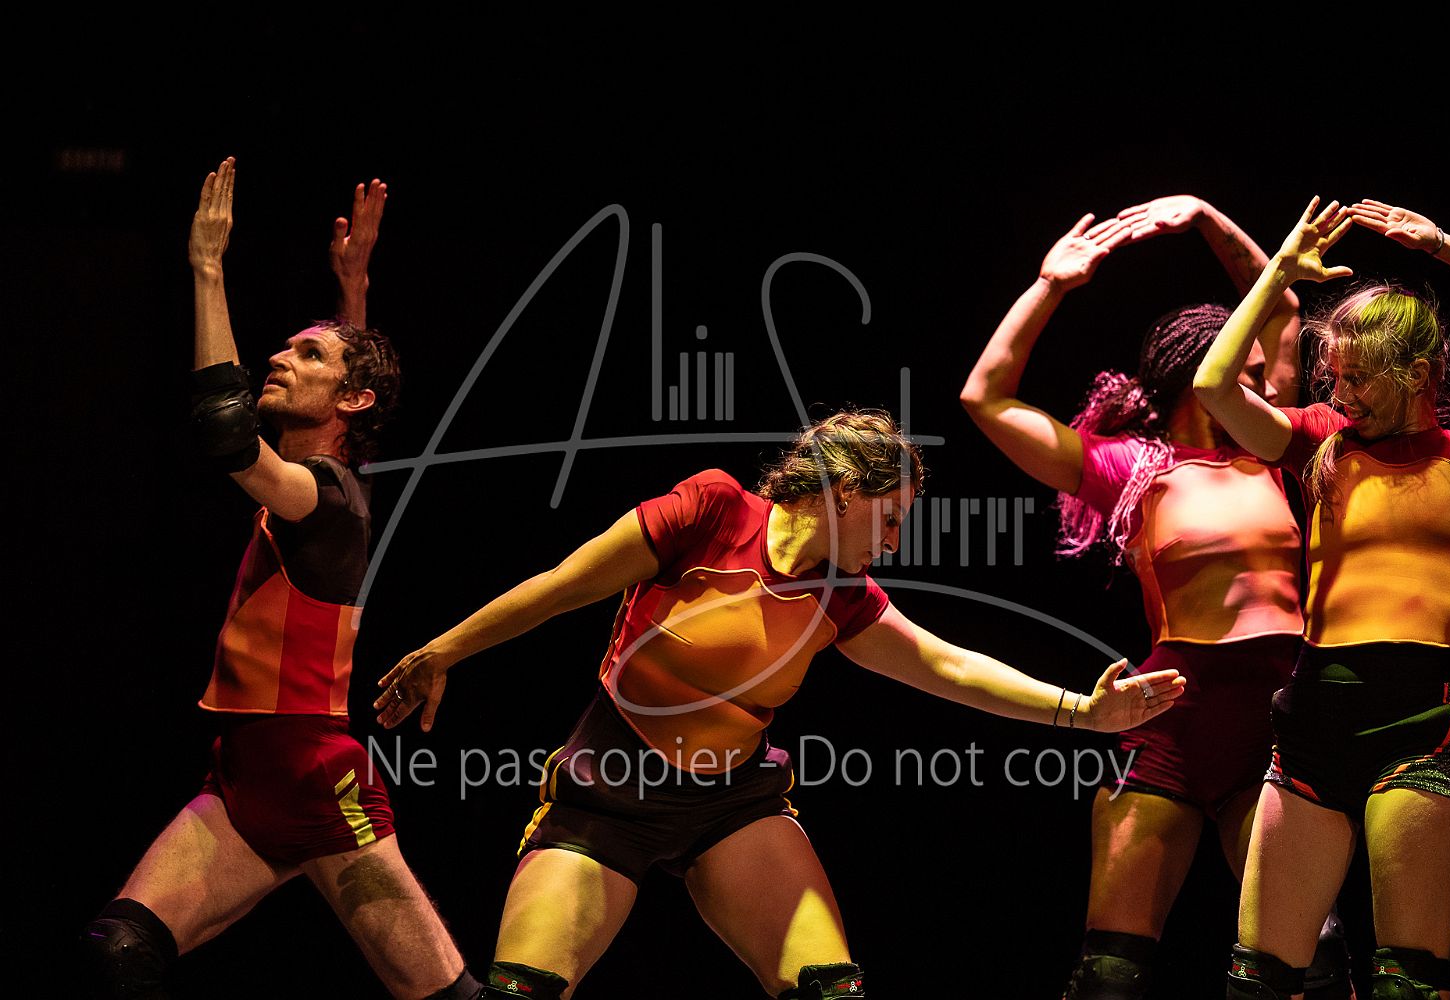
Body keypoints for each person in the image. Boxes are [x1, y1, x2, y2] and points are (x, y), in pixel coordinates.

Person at [373, 409, 1186, 1000]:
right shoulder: (711, 511)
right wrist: (444, 651)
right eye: (890, 518)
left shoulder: (844, 597)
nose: (894, 543)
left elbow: (948, 665)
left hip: (733, 806)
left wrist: (1083, 712)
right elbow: (561, 587)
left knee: (830, 990)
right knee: (524, 992)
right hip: (606, 794)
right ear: (842, 491)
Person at [80, 158, 485, 1000]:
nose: (278, 357)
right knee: (120, 948)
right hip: (241, 776)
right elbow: (348, 393)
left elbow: (227, 436)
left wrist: (206, 266)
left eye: (306, 354)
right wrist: (353, 292)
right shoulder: (327, 477)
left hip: (314, 778)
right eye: (290, 348)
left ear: (352, 401)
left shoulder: (326, 498)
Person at [961, 195, 1351, 999]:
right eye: (1246, 375)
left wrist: (1205, 216)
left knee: (1310, 962)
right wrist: (1051, 286)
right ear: (1196, 378)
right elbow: (985, 400)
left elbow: (1281, 304)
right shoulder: (1132, 470)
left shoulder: (1278, 451)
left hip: (1278, 719)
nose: (1265, 386)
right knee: (1111, 973)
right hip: (1173, 718)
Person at [1193, 196, 1450, 1000]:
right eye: (1335, 375)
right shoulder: (1319, 441)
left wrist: (1442, 245)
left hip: (1418, 722)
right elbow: (1213, 385)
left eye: (1359, 376)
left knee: (1408, 984)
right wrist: (1277, 274)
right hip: (1312, 720)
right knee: (1259, 981)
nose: (1342, 390)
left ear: (1418, 375)